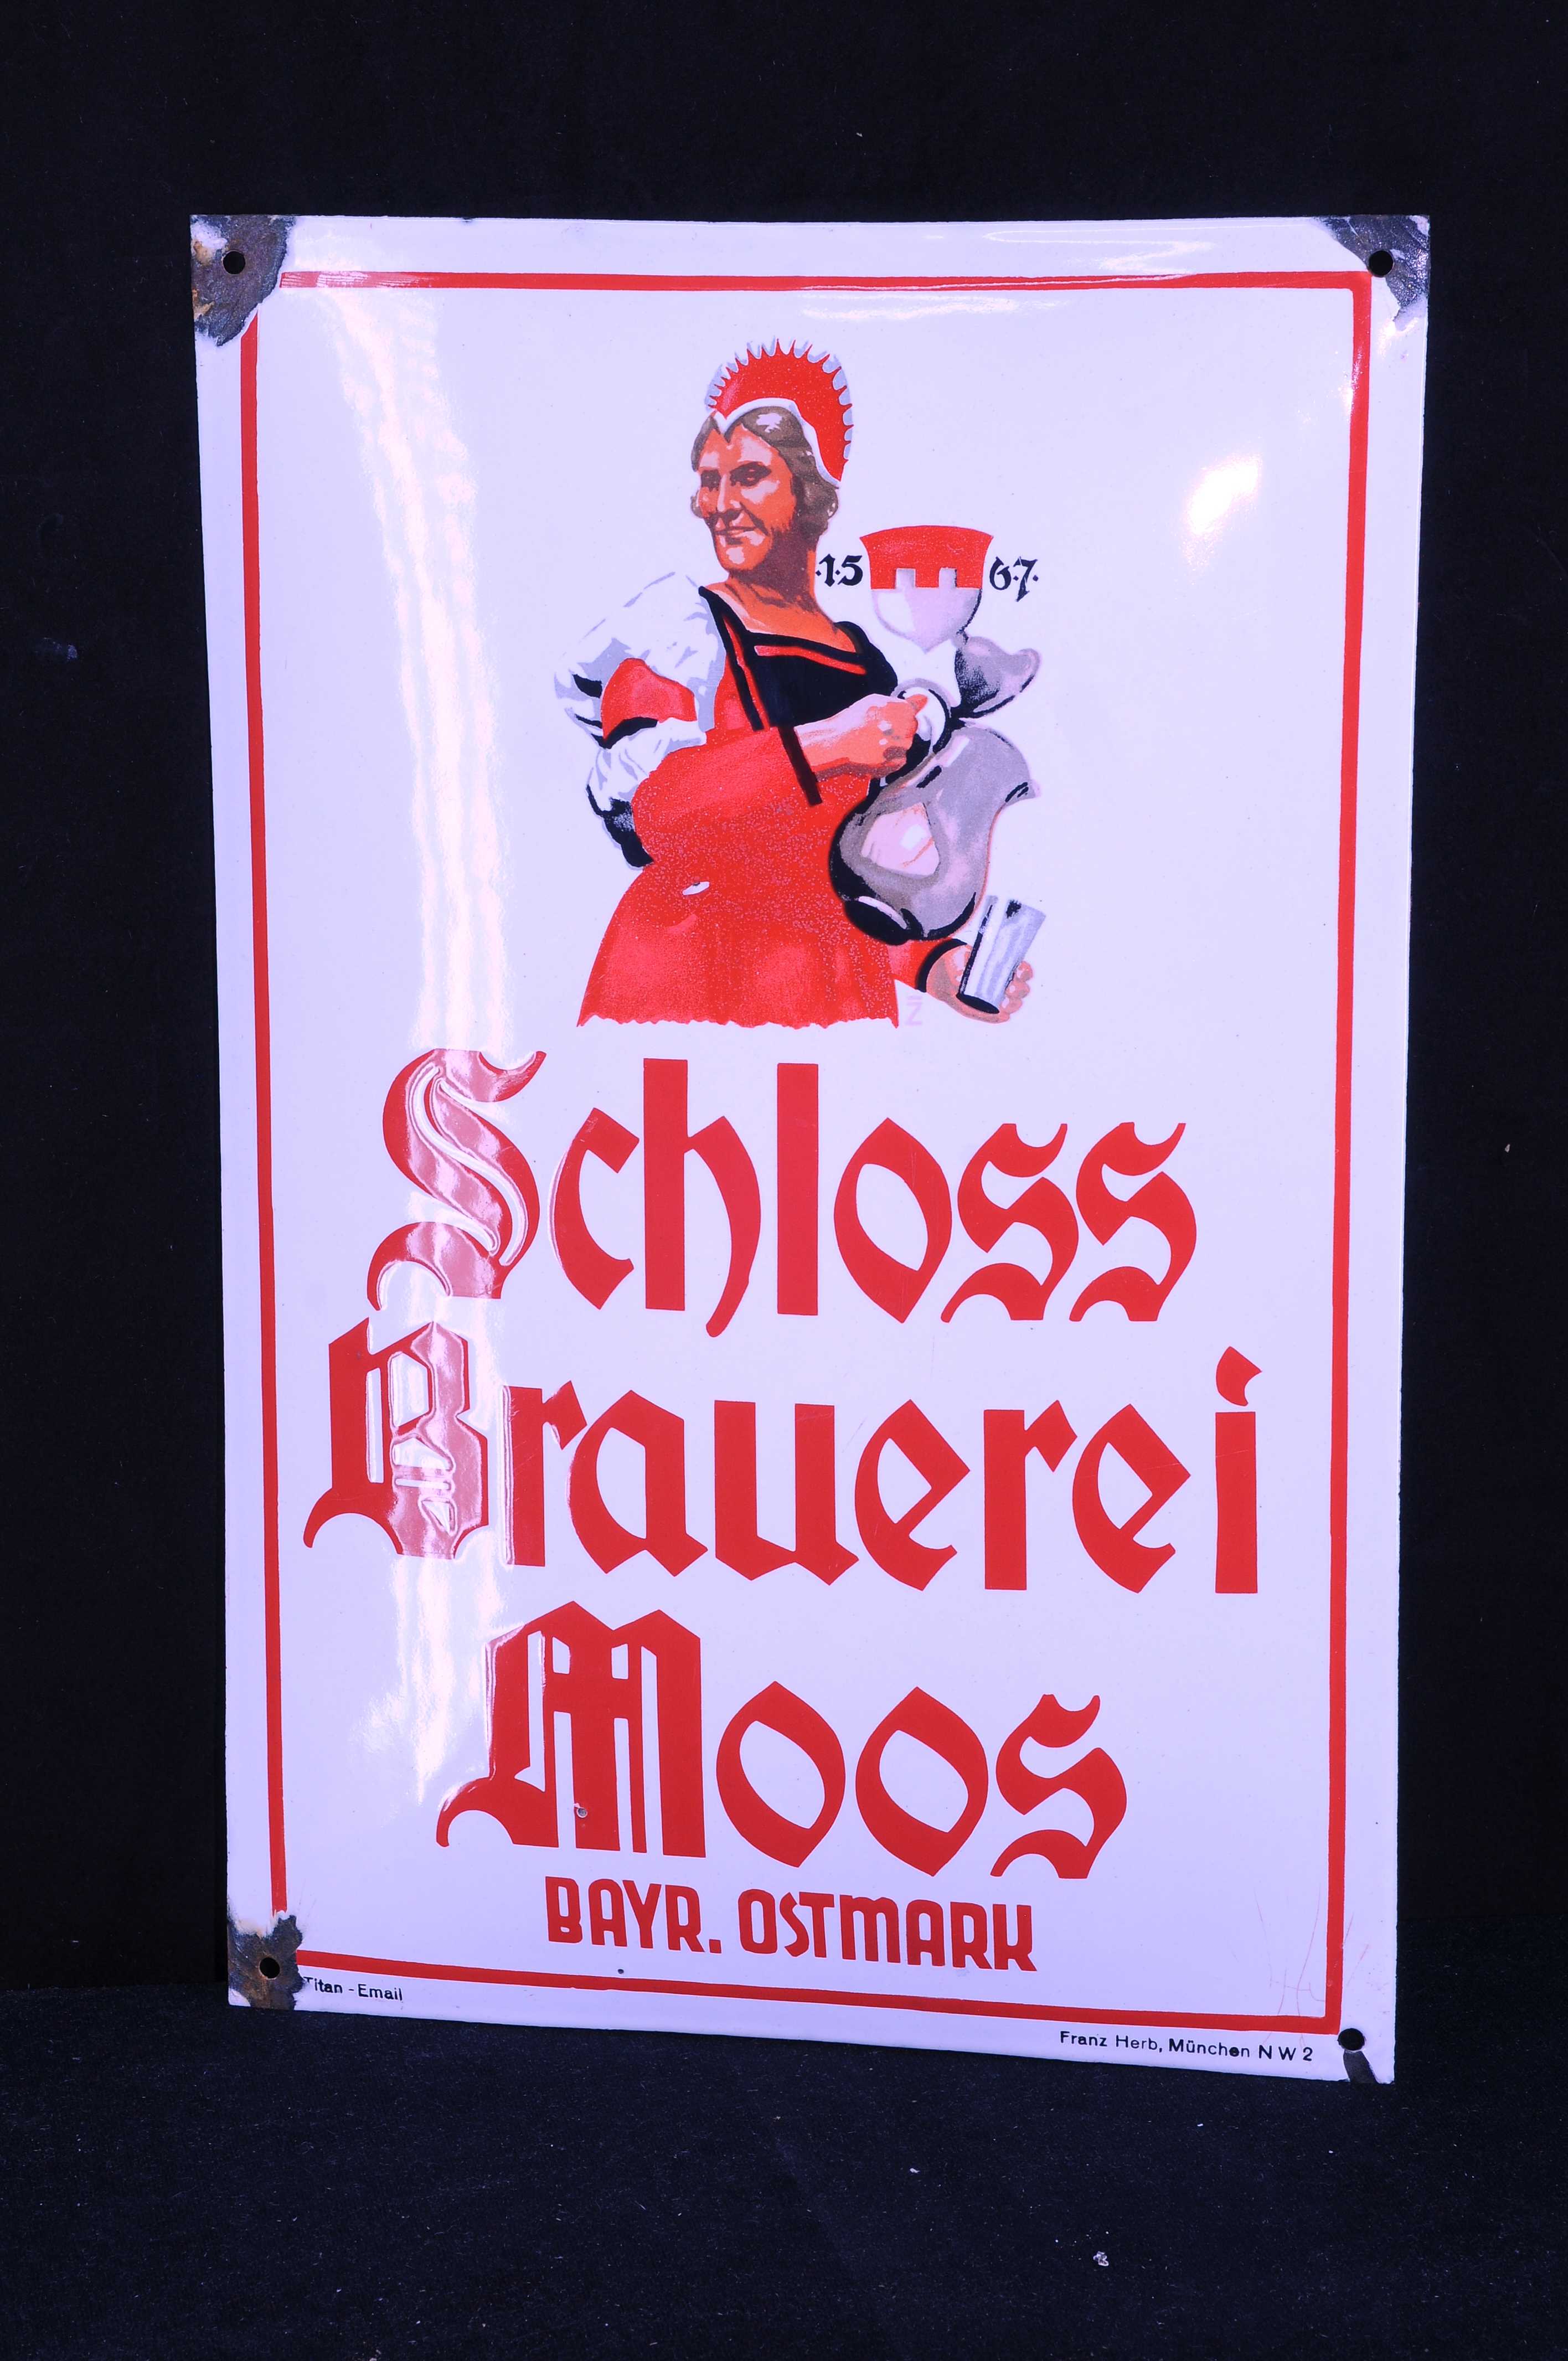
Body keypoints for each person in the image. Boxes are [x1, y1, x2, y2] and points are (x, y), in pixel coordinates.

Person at [557, 341, 1032, 1029]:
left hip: (835, 985)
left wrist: (933, 967)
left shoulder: (865, 662)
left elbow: (842, 872)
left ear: (811, 494)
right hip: (694, 974)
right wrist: (829, 744)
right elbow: (660, 811)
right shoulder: (674, 631)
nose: (720, 505)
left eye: (749, 476)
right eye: (710, 481)